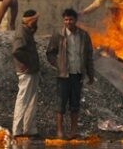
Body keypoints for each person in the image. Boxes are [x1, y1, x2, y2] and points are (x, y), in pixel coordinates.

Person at [46, 9, 95, 139]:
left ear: (75, 20)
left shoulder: (83, 35)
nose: (68, 22)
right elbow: (50, 53)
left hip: (77, 74)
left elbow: (89, 56)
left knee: (75, 105)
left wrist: (90, 74)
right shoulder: (59, 35)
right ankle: (60, 131)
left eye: (71, 19)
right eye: (66, 20)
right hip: (63, 75)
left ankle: (73, 131)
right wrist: (58, 65)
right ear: (63, 20)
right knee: (60, 104)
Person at [11, 10, 40, 138]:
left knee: (32, 100)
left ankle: (29, 129)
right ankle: (17, 130)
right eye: (35, 20)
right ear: (30, 20)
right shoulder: (22, 32)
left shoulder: (27, 31)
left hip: (32, 70)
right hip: (26, 70)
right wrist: (28, 62)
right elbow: (16, 51)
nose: (37, 22)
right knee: (23, 100)